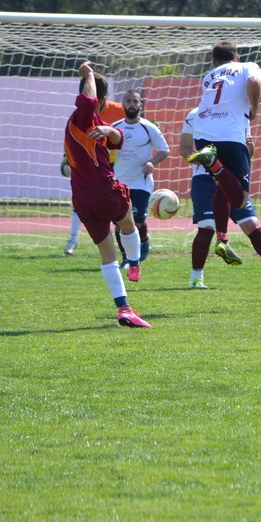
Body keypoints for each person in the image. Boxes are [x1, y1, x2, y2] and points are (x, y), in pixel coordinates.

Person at [185, 42, 261, 288]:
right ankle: (197, 277)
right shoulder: (247, 66)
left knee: (234, 200)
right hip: (229, 139)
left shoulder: (210, 77)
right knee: (238, 199)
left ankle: (226, 241)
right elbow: (253, 86)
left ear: (214, 62)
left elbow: (243, 98)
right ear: (237, 57)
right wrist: (257, 105)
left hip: (204, 135)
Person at [64, 60, 151, 327]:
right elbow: (88, 101)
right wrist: (89, 74)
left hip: (82, 198)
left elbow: (118, 140)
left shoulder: (93, 122)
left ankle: (124, 309)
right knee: (129, 225)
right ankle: (134, 262)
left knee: (107, 255)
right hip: (103, 189)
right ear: (102, 99)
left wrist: (110, 130)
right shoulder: (83, 116)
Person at [110, 88, 170, 265]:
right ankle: (126, 259)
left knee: (136, 223)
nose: (132, 104)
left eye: (135, 101)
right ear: (123, 104)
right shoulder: (114, 128)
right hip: (119, 183)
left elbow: (164, 150)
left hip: (141, 183)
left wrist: (152, 162)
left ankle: (141, 246)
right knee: (120, 224)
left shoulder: (149, 128)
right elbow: (104, 151)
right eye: (128, 101)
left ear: (141, 106)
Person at [64, 99, 126, 255]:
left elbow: (123, 132)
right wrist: (66, 158)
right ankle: (73, 239)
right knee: (84, 203)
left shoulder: (118, 109)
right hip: (91, 168)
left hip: (112, 166)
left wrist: (111, 131)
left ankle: (130, 254)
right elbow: (74, 140)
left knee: (121, 212)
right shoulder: (82, 114)